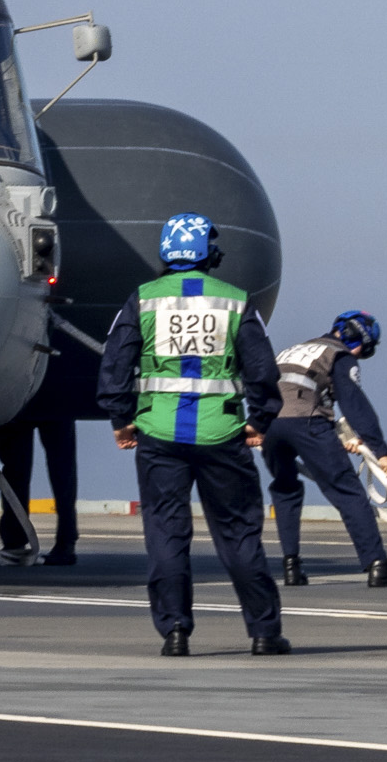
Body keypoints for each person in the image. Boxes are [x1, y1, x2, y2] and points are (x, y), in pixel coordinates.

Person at [97, 213, 287, 658]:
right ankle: (263, 632)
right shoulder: (236, 302)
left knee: (165, 532)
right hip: (222, 435)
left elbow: (115, 366)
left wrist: (120, 419)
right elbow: (262, 371)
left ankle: (175, 631)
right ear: (208, 253)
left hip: (159, 435)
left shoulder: (142, 300)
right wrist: (260, 420)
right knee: (239, 533)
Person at [266, 310, 387, 589]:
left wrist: (256, 427)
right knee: (348, 492)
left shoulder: (292, 350)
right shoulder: (339, 355)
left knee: (285, 489)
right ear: (362, 343)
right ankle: (377, 565)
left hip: (271, 424)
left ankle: (291, 567)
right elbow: (354, 404)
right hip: (307, 422)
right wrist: (380, 451)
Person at [0, 313, 99, 567]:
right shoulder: (60, 318)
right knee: (62, 473)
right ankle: (65, 540)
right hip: (57, 391)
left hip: (17, 394)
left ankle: (15, 541)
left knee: (15, 471)